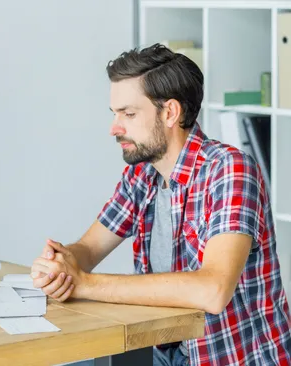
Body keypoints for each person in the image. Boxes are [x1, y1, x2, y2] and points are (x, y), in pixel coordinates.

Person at [31, 44, 291, 365]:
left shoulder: (229, 170)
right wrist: (62, 263)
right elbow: (88, 249)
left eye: (128, 114)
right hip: (168, 355)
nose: (114, 128)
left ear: (170, 113)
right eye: (114, 114)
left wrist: (84, 284)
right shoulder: (141, 174)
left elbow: (213, 289)